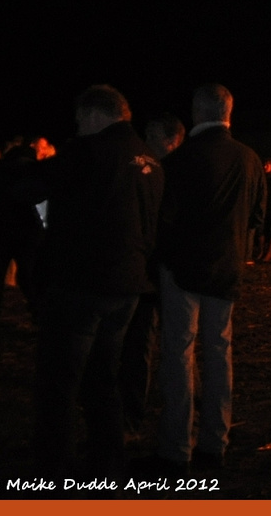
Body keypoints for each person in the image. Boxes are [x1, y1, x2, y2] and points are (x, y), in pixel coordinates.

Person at [32, 84, 163, 481]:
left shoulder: (88, 152)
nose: (77, 127)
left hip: (84, 283)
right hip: (129, 285)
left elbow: (32, 186)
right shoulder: (150, 161)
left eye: (78, 120)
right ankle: (109, 458)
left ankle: (54, 466)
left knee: (60, 380)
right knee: (103, 375)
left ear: (92, 114)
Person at [152, 83, 267, 472]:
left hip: (184, 269)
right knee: (219, 351)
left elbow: (164, 219)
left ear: (196, 112)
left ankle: (175, 446)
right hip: (227, 267)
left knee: (179, 353)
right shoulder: (250, 159)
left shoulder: (182, 159)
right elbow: (257, 217)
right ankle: (215, 441)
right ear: (229, 112)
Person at [120, 113, 184, 433]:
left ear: (172, 139)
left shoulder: (168, 172)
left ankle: (135, 408)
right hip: (157, 265)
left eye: (154, 132)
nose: (148, 139)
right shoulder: (150, 169)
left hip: (156, 266)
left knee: (143, 339)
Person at [0, 136, 50, 327]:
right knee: (30, 277)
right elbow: (44, 203)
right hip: (28, 233)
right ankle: (39, 315)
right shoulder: (35, 170)